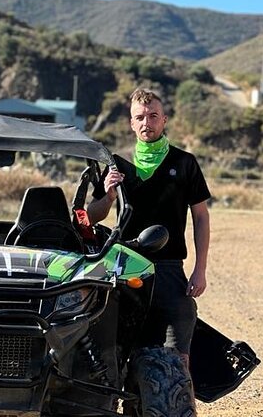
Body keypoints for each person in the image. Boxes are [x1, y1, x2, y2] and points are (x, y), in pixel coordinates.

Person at [87, 87, 210, 371]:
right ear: (131, 123)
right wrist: (107, 196)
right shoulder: (116, 165)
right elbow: (90, 217)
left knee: (178, 361)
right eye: (140, 117)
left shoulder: (185, 163)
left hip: (169, 269)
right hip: (123, 267)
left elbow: (201, 217)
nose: (147, 122)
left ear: (164, 120)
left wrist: (200, 269)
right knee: (112, 359)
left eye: (153, 116)